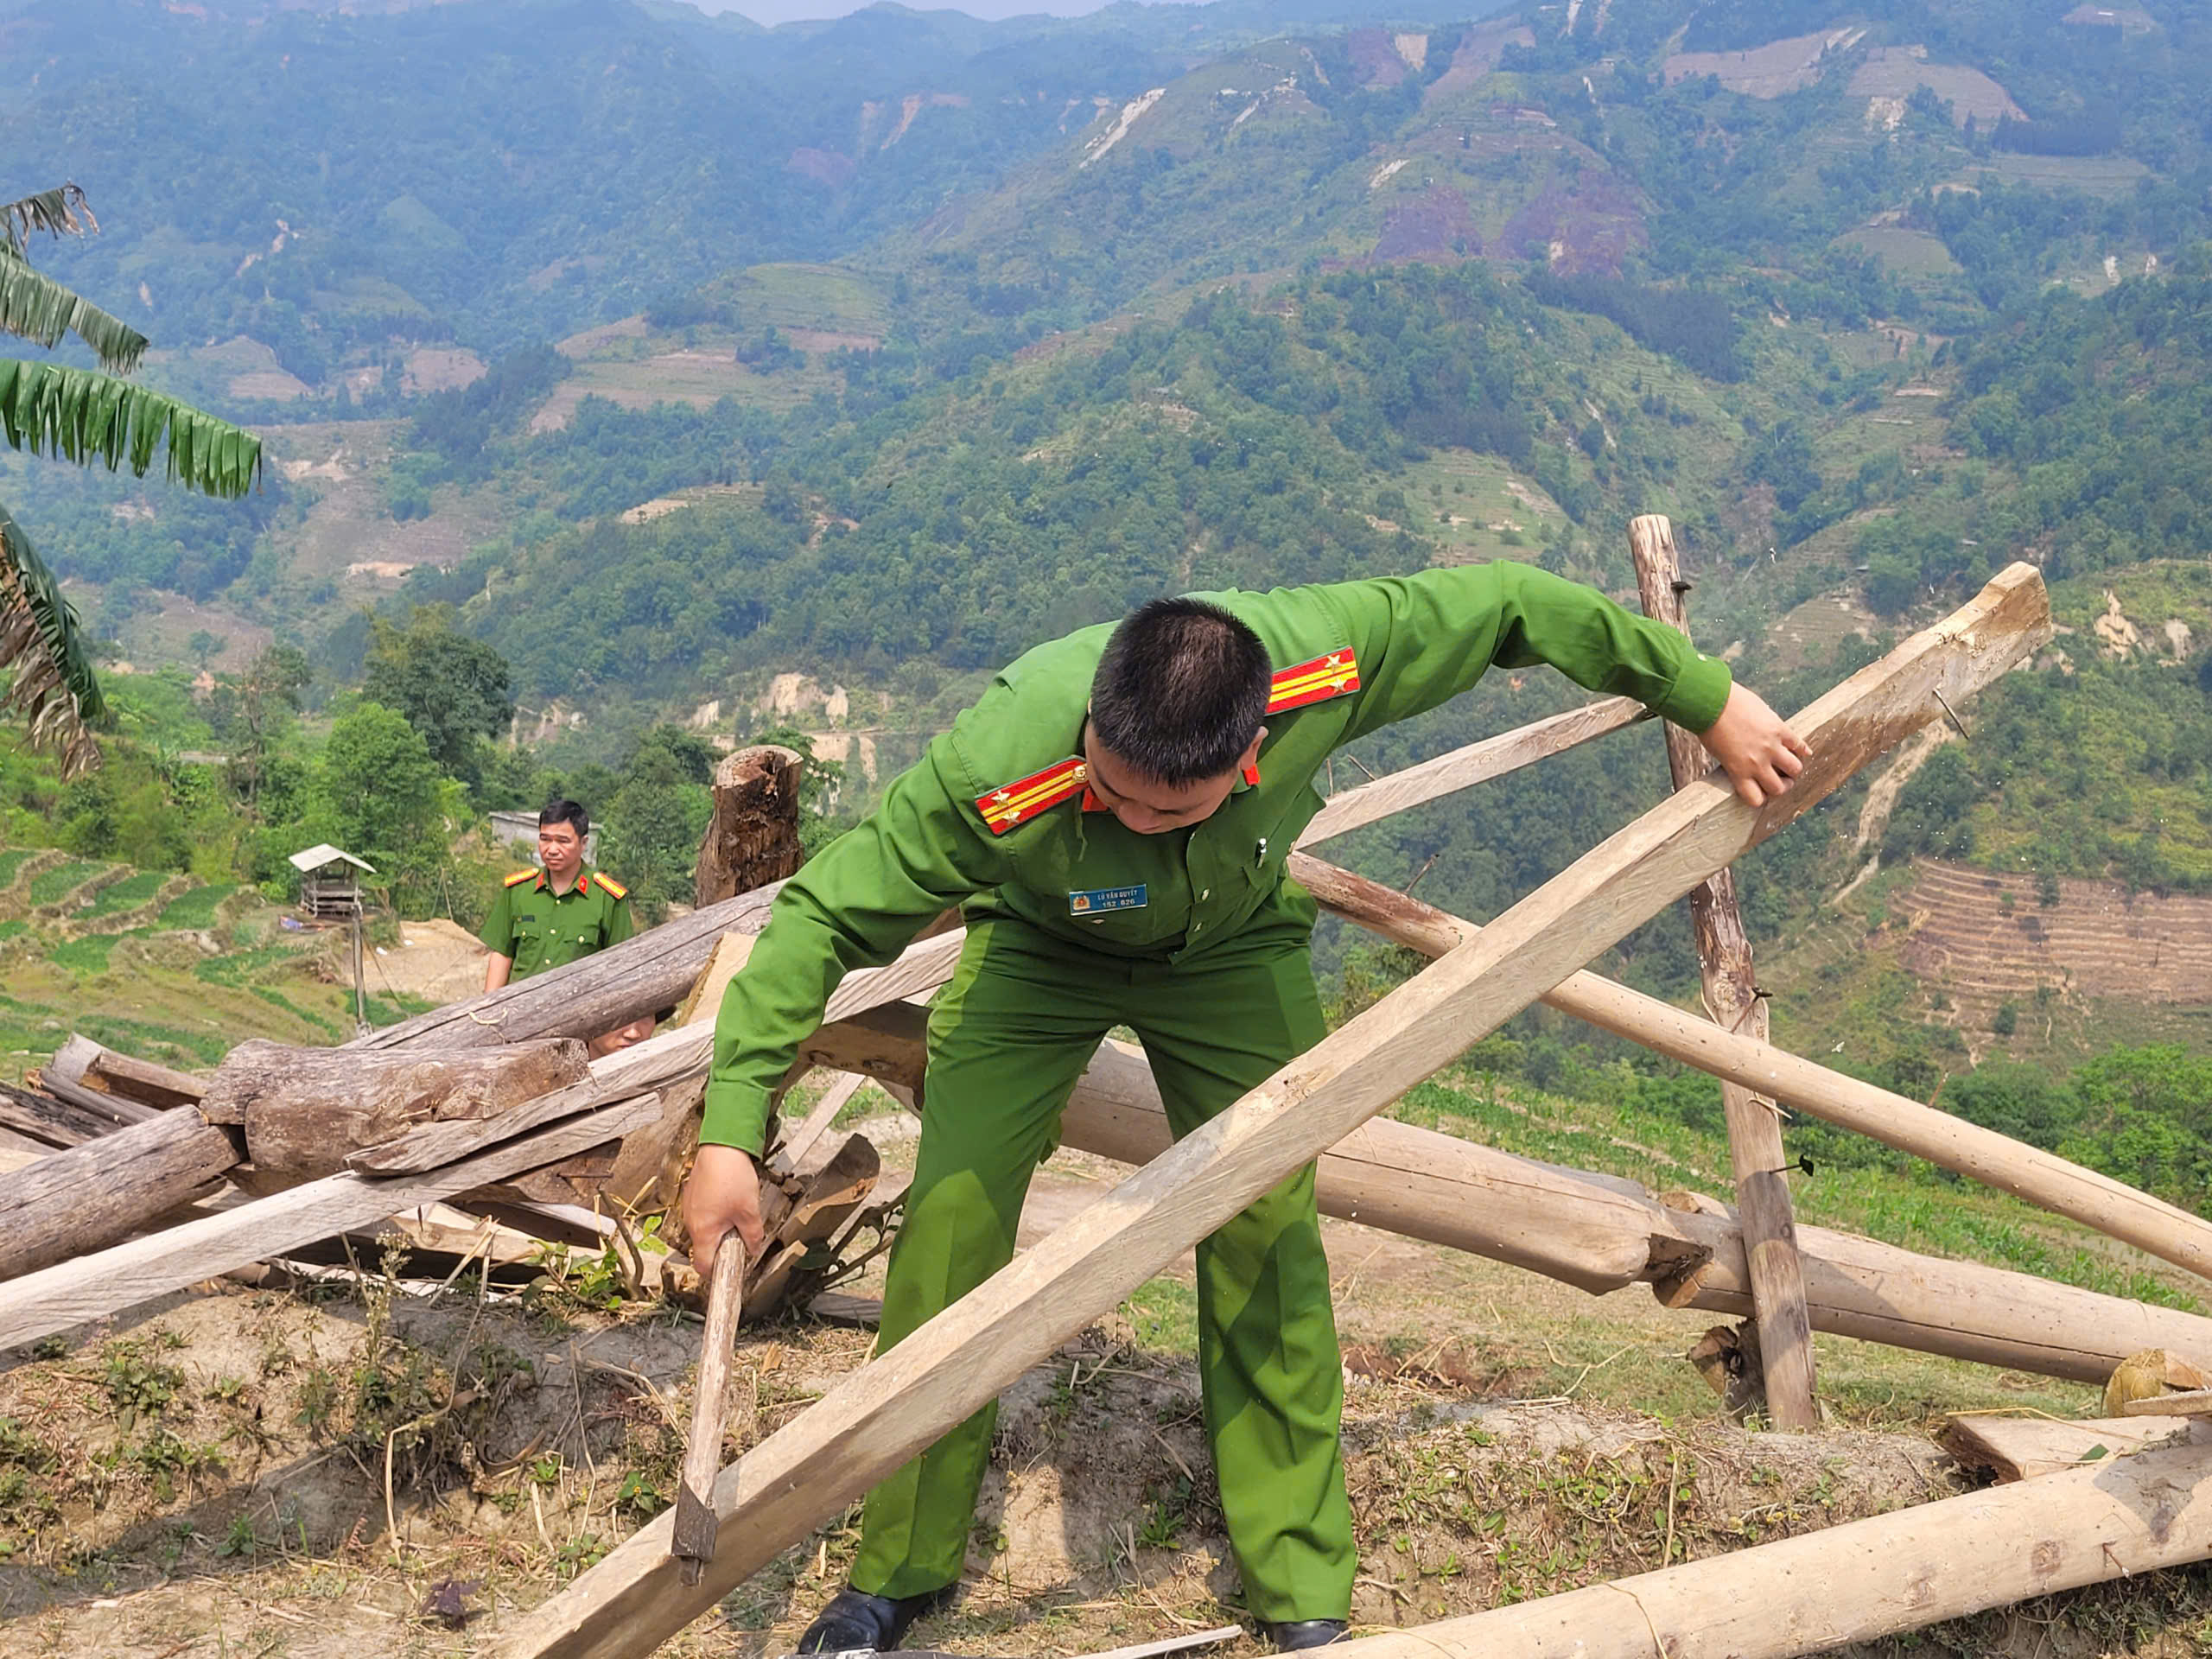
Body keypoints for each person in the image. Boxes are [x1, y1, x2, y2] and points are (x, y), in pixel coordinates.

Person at [683, 563, 1809, 1653]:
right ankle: (897, 1573)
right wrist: (732, 1130)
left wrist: (1708, 699)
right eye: (1107, 786)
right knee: (949, 1237)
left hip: (1233, 953)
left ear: (1255, 748)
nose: (1126, 813)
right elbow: (823, 919)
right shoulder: (1003, 752)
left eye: (1167, 808)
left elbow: (1517, 601)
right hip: (1038, 956)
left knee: (1267, 1237)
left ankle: (1298, 1574)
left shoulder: (1327, 660)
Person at [479, 799, 652, 1056]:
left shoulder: (607, 898)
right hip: (519, 1023)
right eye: (545, 839)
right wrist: (488, 1018)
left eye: (563, 841)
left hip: (578, 1029)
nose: (552, 849)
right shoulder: (518, 892)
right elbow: (502, 954)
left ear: (583, 843)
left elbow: (620, 969)